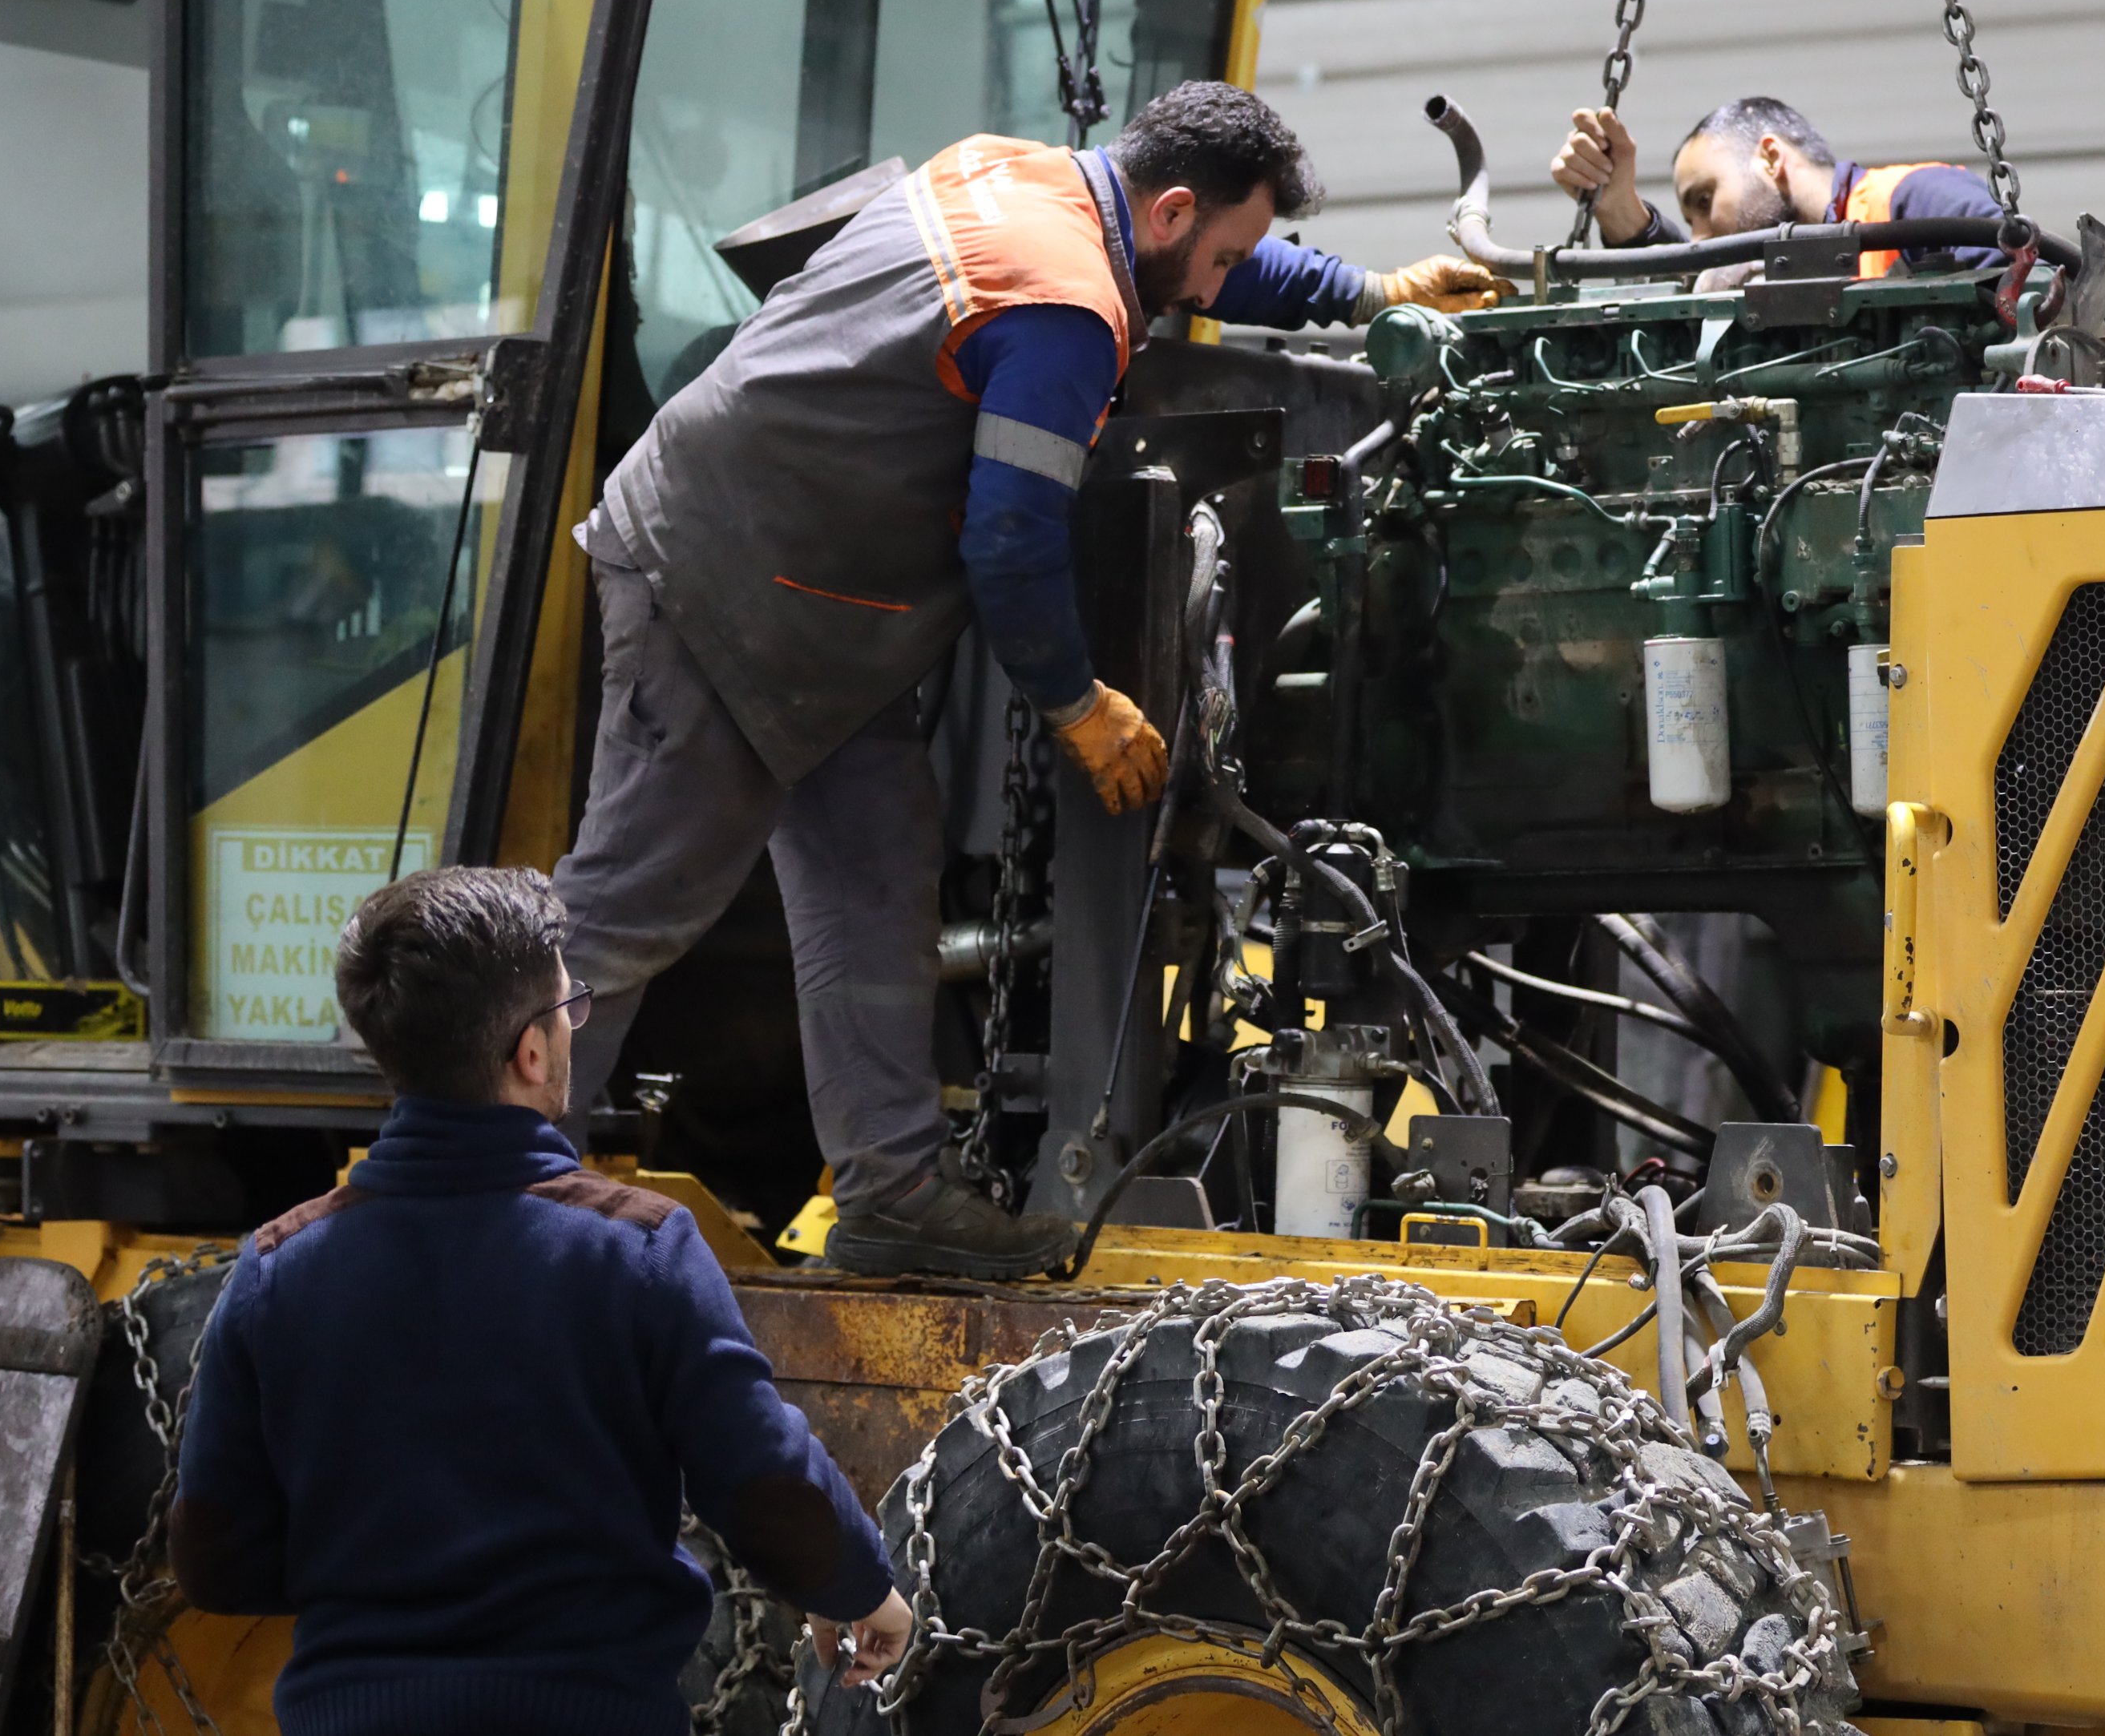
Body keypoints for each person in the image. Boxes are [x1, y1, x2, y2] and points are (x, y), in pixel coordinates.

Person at [552, 81, 1504, 1282]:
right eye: (1223, 250)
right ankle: (488, 1178)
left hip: (825, 601)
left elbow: (1201, 264)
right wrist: (1078, 702)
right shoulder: (1065, 309)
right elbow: (1010, 537)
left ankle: (892, 1193)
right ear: (1168, 208)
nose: (1222, 283)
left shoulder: (1031, 177)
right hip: (720, 567)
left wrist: (1366, 293)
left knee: (872, 882)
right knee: (636, 899)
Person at [169, 867, 909, 1736]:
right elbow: (759, 1478)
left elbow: (214, 1560)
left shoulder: (276, 1270)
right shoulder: (637, 1246)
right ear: (530, 1050)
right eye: (571, 1007)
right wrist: (856, 1587)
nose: (571, 1027)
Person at [1550, 95, 2009, 282]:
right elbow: (1692, 287)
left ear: (1771, 159)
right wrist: (1618, 213)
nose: (1698, 238)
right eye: (1690, 221)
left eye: (1705, 201)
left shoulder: (1913, 200)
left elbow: (2033, 291)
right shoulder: (1774, 282)